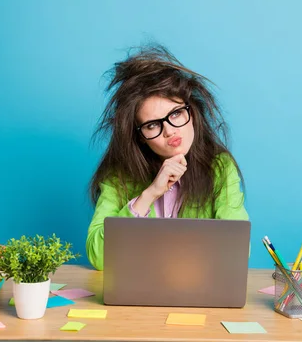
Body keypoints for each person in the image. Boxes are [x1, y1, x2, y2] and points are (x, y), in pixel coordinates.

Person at [86, 44, 248, 270]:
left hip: (196, 291)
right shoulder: (119, 175)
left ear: (192, 112)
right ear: (140, 136)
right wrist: (151, 193)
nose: (170, 131)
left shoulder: (219, 166)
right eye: (153, 125)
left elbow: (237, 247)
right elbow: (98, 256)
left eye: (176, 114)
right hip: (137, 292)